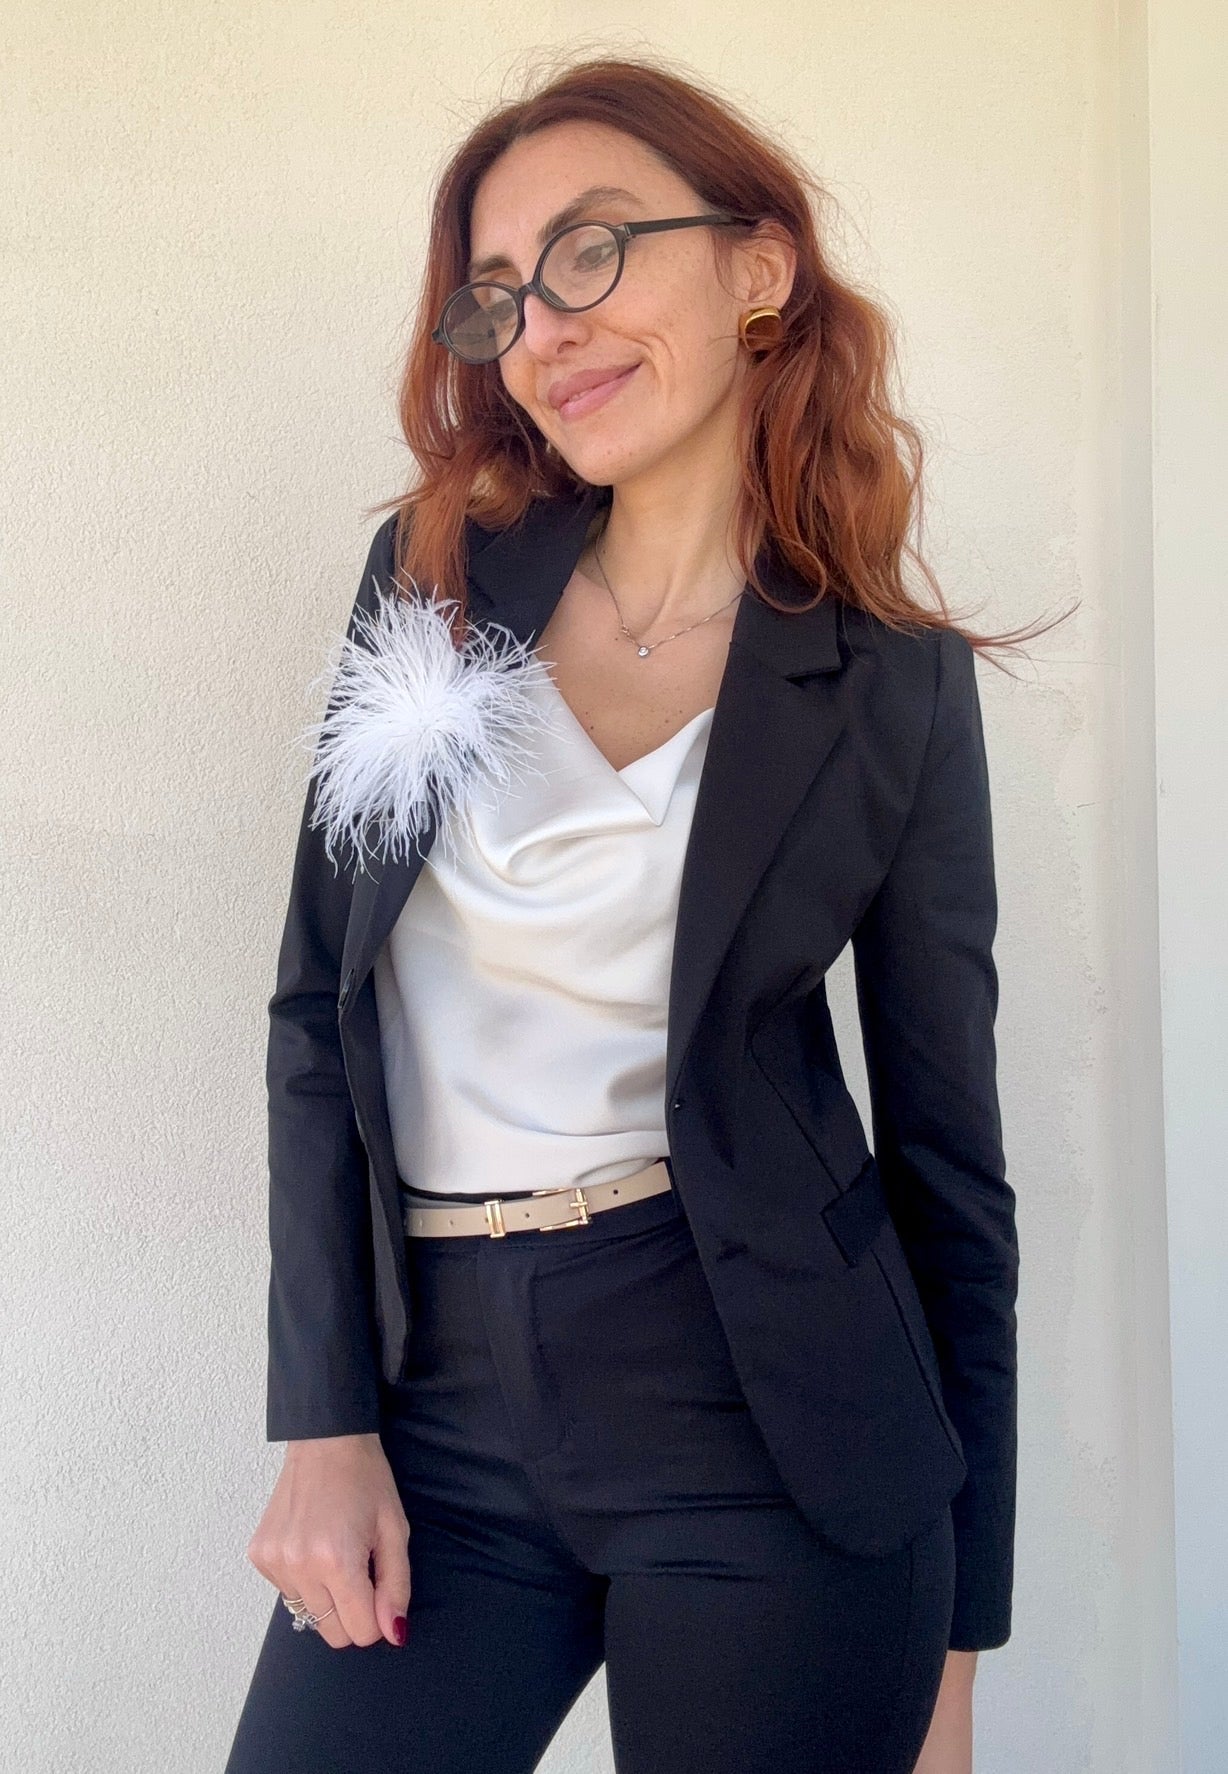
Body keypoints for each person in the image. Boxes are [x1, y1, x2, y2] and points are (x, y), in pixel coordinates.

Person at [224, 52, 1058, 1774]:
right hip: (439, 1409)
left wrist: (958, 1644)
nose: (544, 327)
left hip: (773, 1421)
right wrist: (323, 1420)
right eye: (499, 295)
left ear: (757, 266)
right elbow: (319, 1007)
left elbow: (951, 1172)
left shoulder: (891, 684)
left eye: (593, 249)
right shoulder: (432, 581)